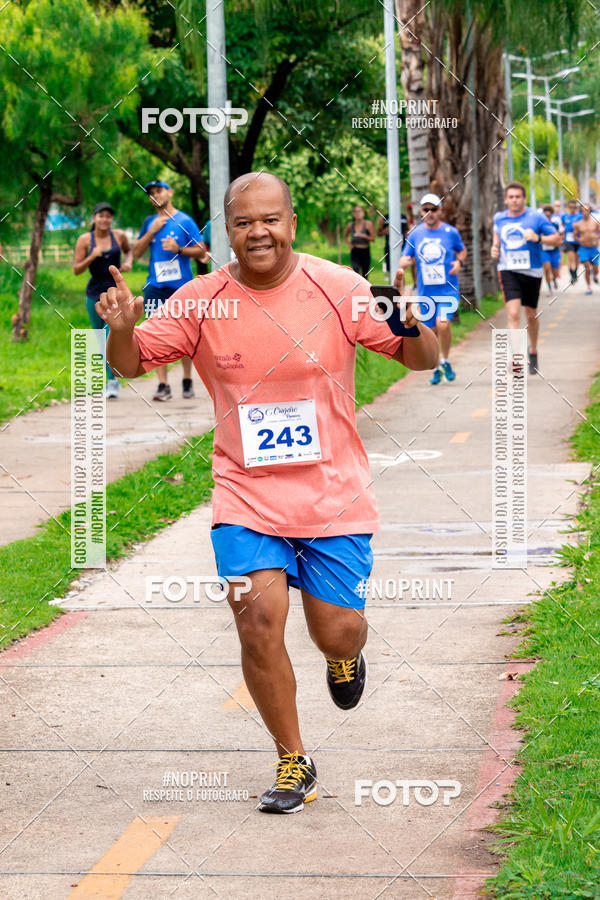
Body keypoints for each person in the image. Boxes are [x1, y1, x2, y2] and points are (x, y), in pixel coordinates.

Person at [96, 172, 438, 814]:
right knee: (256, 622)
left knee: (336, 632)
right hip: (245, 495)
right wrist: (120, 327)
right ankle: (293, 760)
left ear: (291, 221)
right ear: (227, 229)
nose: (259, 232)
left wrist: (418, 325)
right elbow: (132, 362)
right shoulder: (201, 300)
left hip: (332, 494)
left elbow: (420, 359)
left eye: (270, 219)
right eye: (245, 221)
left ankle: (343, 659)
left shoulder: (340, 287)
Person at [133, 180, 208, 400]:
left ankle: (186, 379)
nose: (155, 195)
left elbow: (202, 250)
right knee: (155, 333)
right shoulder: (149, 222)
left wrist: (179, 249)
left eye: (159, 191)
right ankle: (163, 385)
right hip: (155, 286)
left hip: (182, 287)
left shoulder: (185, 221)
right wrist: (151, 232)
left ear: (170, 192)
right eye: (151, 193)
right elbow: (137, 252)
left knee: (186, 333)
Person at [394, 193, 466, 385]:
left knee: (443, 324)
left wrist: (459, 263)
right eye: (426, 209)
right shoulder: (416, 234)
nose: (430, 213)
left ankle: (446, 360)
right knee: (431, 331)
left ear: (440, 211)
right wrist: (405, 262)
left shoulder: (451, 232)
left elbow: (462, 250)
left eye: (434, 209)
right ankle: (436, 366)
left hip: (447, 289)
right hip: (426, 292)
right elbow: (405, 257)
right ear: (421, 212)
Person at [491, 181, 562, 375]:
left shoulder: (536, 218)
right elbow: (497, 234)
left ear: (524, 199)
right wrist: (495, 247)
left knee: (531, 314)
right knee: (513, 314)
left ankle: (533, 350)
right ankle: (516, 358)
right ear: (506, 199)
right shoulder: (499, 218)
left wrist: (538, 238)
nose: (514, 200)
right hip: (508, 270)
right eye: (511, 197)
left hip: (532, 271)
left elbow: (557, 239)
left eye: (518, 197)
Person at [73, 202, 133, 399]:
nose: (105, 219)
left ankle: (113, 381)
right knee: (99, 337)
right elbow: (76, 270)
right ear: (94, 218)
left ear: (111, 219)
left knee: (110, 335)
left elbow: (129, 250)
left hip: (114, 292)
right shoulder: (84, 240)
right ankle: (106, 380)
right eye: (101, 216)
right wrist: (92, 256)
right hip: (93, 294)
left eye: (108, 216)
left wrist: (128, 262)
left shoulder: (119, 236)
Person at [573, 204, 600, 295]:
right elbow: (575, 235)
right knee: (587, 268)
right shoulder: (578, 224)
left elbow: (599, 232)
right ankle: (588, 287)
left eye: (587, 210)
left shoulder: (595, 222)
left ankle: (595, 275)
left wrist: (596, 239)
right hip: (584, 248)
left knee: (596, 269)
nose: (585, 212)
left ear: (590, 211)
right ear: (581, 212)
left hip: (593, 248)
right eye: (583, 210)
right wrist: (579, 240)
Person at [343, 205, 375, 277]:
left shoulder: (368, 224)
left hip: (365, 251)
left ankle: (365, 288)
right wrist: (349, 244)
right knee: (356, 272)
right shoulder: (350, 225)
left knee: (365, 274)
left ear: (363, 213)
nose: (358, 214)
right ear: (353, 214)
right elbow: (345, 237)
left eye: (359, 211)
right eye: (355, 212)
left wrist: (364, 236)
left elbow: (373, 238)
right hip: (355, 251)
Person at [377, 209, 407, 275]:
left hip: (402, 247)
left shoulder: (404, 217)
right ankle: (392, 284)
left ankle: (402, 285)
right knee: (390, 270)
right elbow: (378, 234)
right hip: (389, 247)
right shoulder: (385, 217)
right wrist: (384, 231)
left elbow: (408, 232)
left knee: (401, 270)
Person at [541, 204, 561, 295]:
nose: (547, 217)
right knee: (547, 268)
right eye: (545, 216)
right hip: (544, 251)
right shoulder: (540, 226)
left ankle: (555, 279)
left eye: (549, 216)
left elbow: (560, 238)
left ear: (552, 215)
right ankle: (549, 288)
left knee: (555, 271)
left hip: (554, 250)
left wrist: (554, 241)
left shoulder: (555, 225)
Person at [561, 198, 582, 285]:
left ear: (576, 208)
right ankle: (572, 276)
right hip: (568, 240)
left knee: (577, 258)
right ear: (568, 208)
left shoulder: (580, 216)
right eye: (570, 207)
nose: (572, 209)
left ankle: (575, 273)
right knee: (571, 258)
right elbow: (562, 226)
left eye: (574, 207)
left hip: (577, 240)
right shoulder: (565, 216)